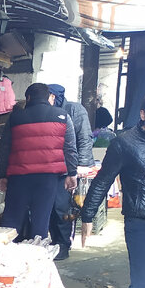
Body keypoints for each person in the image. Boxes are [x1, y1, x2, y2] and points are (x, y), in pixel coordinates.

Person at [80, 88, 145, 288]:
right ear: (143, 113)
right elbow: (102, 181)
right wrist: (87, 216)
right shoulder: (125, 143)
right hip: (140, 221)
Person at [0, 83, 77, 244]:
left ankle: (5, 259)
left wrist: (1, 175)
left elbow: (5, 148)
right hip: (48, 178)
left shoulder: (15, 118)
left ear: (28, 98)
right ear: (49, 97)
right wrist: (72, 173)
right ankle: (37, 258)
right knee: (41, 221)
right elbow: (70, 148)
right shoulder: (62, 116)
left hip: (19, 178)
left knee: (11, 221)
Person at [46, 83, 94, 260]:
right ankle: (56, 242)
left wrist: (81, 165)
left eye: (51, 96)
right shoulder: (47, 112)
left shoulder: (74, 109)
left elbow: (84, 137)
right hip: (51, 168)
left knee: (63, 208)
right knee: (51, 208)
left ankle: (64, 244)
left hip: (69, 170)